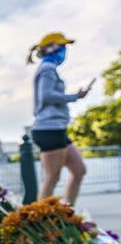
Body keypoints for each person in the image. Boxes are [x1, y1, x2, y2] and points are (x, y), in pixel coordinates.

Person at [27, 32, 90, 204]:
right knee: (51, 179)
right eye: (61, 46)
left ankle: (67, 212)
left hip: (56, 129)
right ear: (49, 48)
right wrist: (74, 97)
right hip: (48, 129)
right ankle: (41, 222)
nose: (64, 50)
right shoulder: (47, 69)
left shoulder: (49, 69)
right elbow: (46, 95)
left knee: (79, 170)